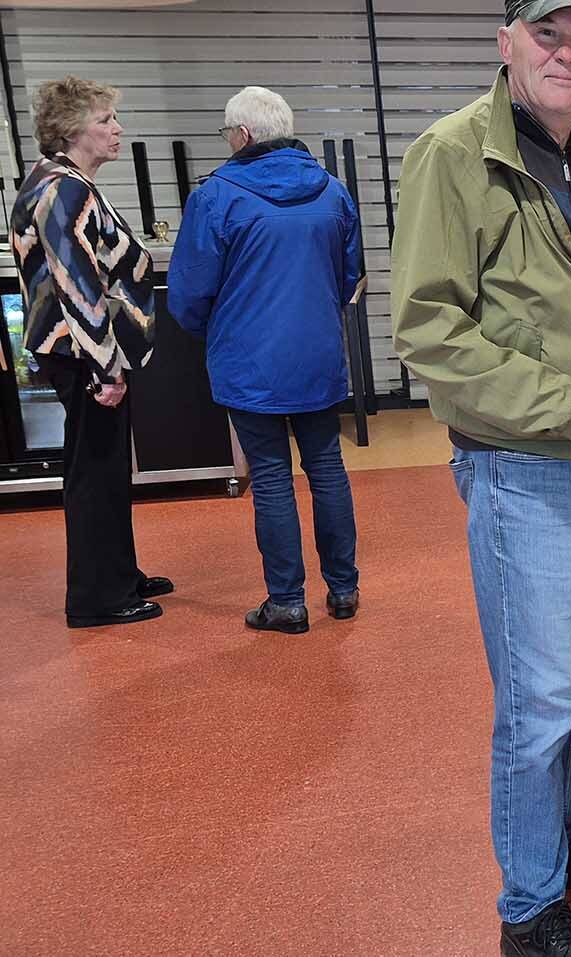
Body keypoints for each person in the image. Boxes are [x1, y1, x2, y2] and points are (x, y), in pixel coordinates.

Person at [388, 2, 571, 954]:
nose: (567, 54)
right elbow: (431, 329)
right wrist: (570, 409)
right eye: (547, 35)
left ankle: (562, 831)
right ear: (505, 43)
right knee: (539, 696)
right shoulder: (452, 153)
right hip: (523, 466)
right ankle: (528, 906)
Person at [168, 86, 362, 635]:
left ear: (243, 135)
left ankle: (286, 602)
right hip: (318, 357)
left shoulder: (216, 196)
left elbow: (188, 293)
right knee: (327, 467)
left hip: (249, 363)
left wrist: (222, 330)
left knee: (272, 477)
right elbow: (350, 277)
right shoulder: (332, 192)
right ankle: (344, 590)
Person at [9, 76, 171, 629]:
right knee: (94, 471)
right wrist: (106, 366)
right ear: (74, 128)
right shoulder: (64, 188)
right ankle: (97, 598)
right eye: (105, 120)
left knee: (104, 469)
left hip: (80, 349)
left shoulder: (65, 181)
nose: (116, 128)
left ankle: (118, 575)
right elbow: (76, 284)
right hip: (82, 353)